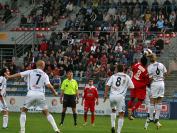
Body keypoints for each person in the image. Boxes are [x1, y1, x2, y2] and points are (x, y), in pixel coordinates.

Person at [6, 60, 60, 133]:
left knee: (24, 111)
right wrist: (55, 92)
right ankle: (56, 129)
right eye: (44, 65)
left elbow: (18, 74)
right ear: (42, 66)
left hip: (31, 93)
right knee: (46, 113)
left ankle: (22, 130)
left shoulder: (30, 71)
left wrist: (9, 76)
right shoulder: (45, 74)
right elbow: (48, 85)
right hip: (40, 94)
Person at [104, 64, 134, 133]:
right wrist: (125, 86)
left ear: (117, 69)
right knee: (121, 114)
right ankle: (118, 131)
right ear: (123, 69)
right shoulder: (126, 76)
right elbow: (132, 87)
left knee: (113, 110)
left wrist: (105, 95)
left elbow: (107, 86)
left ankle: (113, 126)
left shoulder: (113, 76)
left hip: (112, 96)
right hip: (120, 97)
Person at [145, 54, 167, 129]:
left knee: (152, 101)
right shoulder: (161, 64)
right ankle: (157, 117)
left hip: (155, 83)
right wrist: (162, 78)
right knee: (159, 101)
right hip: (162, 83)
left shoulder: (150, 67)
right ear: (155, 58)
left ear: (150, 60)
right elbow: (166, 73)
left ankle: (151, 118)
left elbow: (150, 78)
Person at [127, 55, 150, 120]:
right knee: (140, 100)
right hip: (140, 86)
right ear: (146, 63)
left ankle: (129, 110)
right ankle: (132, 110)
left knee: (132, 98)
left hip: (133, 84)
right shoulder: (145, 71)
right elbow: (147, 82)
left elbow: (133, 69)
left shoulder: (137, 65)